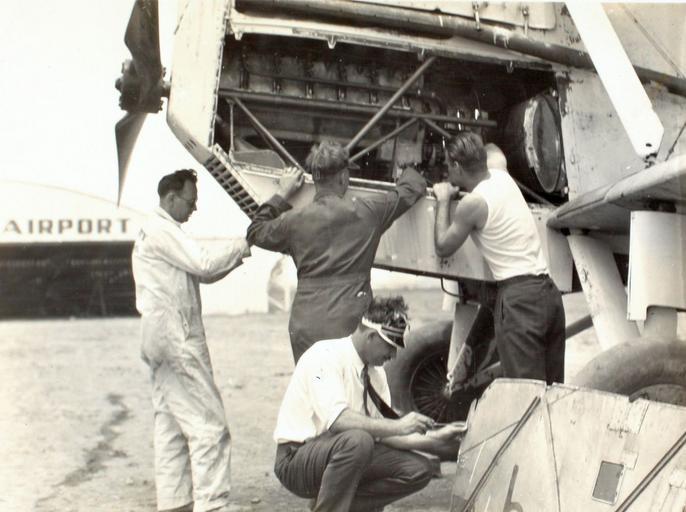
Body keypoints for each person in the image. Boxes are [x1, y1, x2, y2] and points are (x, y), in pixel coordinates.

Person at [273, 296, 467, 512]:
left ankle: (329, 503)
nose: (393, 355)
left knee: (418, 469)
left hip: (343, 454)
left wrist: (437, 437)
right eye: (391, 346)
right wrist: (400, 425)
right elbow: (338, 421)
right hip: (296, 459)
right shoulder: (324, 355)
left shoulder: (376, 374)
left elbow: (385, 434)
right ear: (372, 336)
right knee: (359, 440)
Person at [131, 169, 250, 512]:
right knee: (209, 425)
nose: (194, 209)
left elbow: (204, 274)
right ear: (171, 198)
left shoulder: (155, 230)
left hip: (157, 338)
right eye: (190, 201)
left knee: (170, 424)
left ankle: (174, 503)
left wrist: (241, 252)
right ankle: (212, 505)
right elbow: (206, 264)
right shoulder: (162, 230)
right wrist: (245, 242)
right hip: (175, 338)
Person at [247, 140, 426, 362]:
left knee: (312, 382)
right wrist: (407, 168)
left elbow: (255, 231)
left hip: (306, 322)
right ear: (343, 177)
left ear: (315, 178)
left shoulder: (294, 221)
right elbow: (413, 188)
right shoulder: (369, 211)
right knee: (349, 381)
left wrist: (283, 193)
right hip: (349, 319)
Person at [433, 132, 565, 384]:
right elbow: (494, 148)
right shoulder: (502, 175)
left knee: (524, 391)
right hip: (548, 293)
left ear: (457, 166)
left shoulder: (473, 204)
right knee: (553, 388)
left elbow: (442, 247)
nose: (447, 171)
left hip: (519, 301)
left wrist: (443, 199)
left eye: (448, 165)